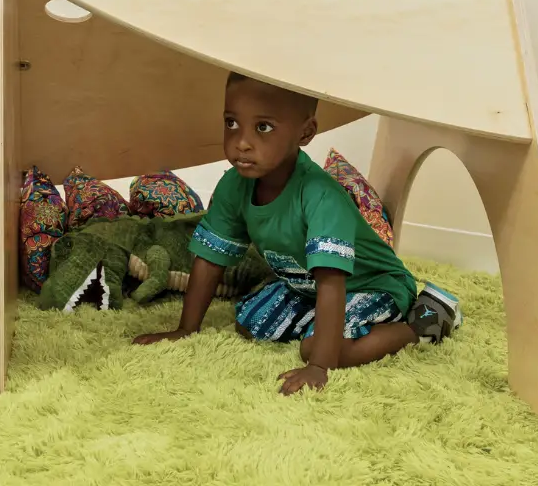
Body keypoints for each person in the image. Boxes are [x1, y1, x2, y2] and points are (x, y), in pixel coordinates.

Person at [133, 71, 461, 395]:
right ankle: (320, 329)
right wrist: (186, 329)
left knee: (321, 350)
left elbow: (332, 281)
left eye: (263, 127)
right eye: (232, 123)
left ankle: (424, 323)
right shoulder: (235, 185)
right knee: (249, 323)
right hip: (305, 286)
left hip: (370, 285)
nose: (242, 142)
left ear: (306, 133)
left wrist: (319, 365)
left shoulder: (321, 196)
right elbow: (210, 257)